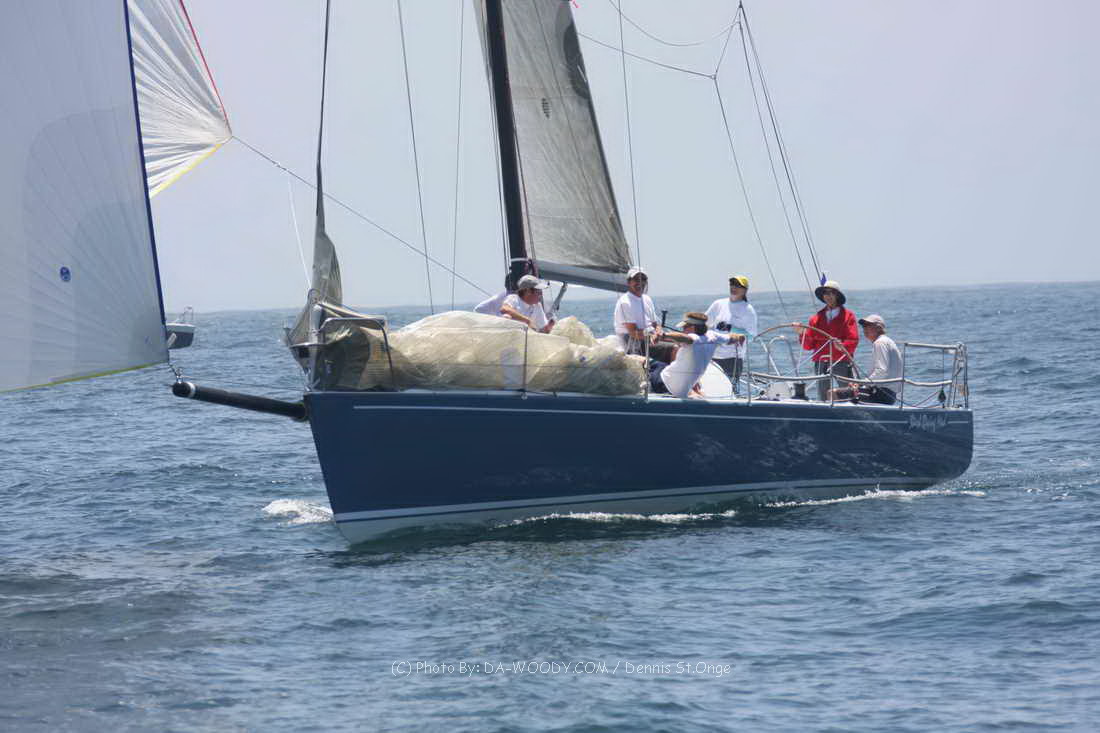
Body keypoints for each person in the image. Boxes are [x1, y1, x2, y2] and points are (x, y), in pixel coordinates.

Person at [648, 312, 744, 398]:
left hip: (665, 383)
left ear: (692, 327)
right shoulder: (713, 336)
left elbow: (684, 338)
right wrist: (740, 337)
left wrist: (664, 335)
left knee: (652, 363)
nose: (682, 330)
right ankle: (694, 389)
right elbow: (731, 338)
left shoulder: (694, 339)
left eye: (684, 327)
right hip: (684, 385)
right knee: (662, 363)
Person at [792, 280, 859, 400]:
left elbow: (853, 340)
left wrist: (842, 346)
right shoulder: (815, 318)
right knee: (823, 397)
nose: (828, 296)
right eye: (826, 293)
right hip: (821, 361)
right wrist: (802, 333)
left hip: (841, 360)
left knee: (848, 393)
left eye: (832, 293)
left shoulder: (848, 316)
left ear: (837, 295)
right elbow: (808, 346)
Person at [831, 314, 902, 404]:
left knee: (833, 393)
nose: (865, 329)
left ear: (879, 328)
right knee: (847, 392)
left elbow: (882, 371)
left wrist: (860, 383)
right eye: (864, 326)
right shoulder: (887, 341)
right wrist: (861, 384)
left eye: (868, 325)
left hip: (880, 394)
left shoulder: (880, 343)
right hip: (888, 394)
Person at [705, 275, 757, 393]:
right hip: (712, 356)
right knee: (711, 389)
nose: (734, 287)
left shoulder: (748, 309)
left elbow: (752, 336)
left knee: (730, 391)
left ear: (745, 290)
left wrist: (731, 328)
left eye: (738, 286)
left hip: (732, 358)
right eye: (732, 284)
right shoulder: (718, 304)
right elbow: (704, 323)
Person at [613, 267, 674, 362]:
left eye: (643, 279)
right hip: (634, 343)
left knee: (683, 343)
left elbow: (655, 324)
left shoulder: (647, 299)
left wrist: (659, 332)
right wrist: (653, 336)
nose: (640, 282)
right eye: (636, 279)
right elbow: (633, 332)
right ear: (628, 282)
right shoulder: (625, 302)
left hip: (650, 338)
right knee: (675, 348)